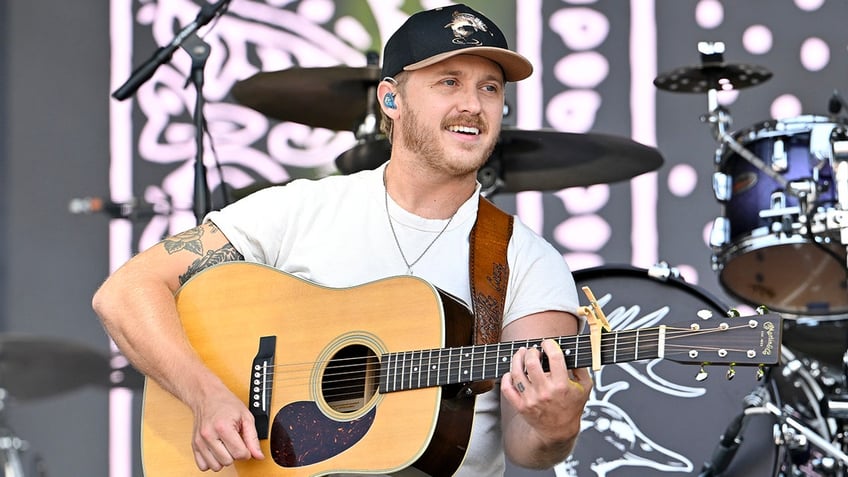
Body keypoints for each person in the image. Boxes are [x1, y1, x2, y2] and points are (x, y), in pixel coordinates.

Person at [92, 3, 592, 476]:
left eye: (490, 88)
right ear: (391, 98)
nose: (472, 105)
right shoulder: (299, 209)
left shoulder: (523, 259)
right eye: (449, 82)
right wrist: (205, 396)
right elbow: (125, 293)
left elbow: (527, 445)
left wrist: (556, 422)